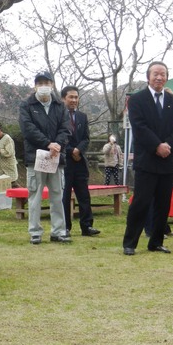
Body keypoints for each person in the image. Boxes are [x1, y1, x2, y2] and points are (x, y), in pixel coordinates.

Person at [122, 61, 173, 255]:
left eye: (163, 74)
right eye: (155, 74)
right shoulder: (137, 100)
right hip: (147, 160)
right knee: (141, 202)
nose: (159, 77)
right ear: (148, 76)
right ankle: (130, 243)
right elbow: (139, 127)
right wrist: (157, 145)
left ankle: (156, 242)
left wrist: (168, 146)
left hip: (168, 160)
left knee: (163, 204)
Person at [19, 71, 71, 245]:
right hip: (36, 157)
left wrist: (57, 144)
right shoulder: (26, 105)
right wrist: (48, 143)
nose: (44, 86)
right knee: (35, 195)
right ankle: (35, 231)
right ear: (35, 85)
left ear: (52, 85)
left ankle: (58, 231)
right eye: (40, 82)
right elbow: (28, 129)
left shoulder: (60, 105)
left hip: (56, 157)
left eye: (47, 82)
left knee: (57, 194)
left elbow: (66, 128)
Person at [61, 86, 100, 237]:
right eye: (71, 97)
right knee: (64, 196)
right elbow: (59, 137)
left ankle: (87, 226)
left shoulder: (83, 116)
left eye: (76, 97)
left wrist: (79, 150)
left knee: (84, 195)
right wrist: (71, 151)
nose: (74, 100)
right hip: (65, 161)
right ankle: (65, 227)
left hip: (80, 162)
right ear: (64, 98)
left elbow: (86, 138)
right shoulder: (58, 116)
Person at [0, 123, 20, 187]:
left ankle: (23, 196)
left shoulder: (7, 138)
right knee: (0, 187)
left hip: (8, 167)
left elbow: (9, 152)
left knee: (13, 185)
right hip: (0, 168)